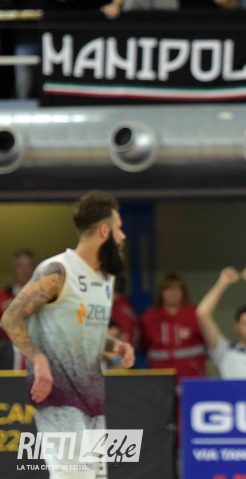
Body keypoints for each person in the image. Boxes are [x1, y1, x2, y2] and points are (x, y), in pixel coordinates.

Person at [0, 191, 135, 477]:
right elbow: (11, 318)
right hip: (59, 400)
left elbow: (83, 334)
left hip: (93, 401)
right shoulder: (57, 271)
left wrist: (115, 345)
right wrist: (38, 358)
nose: (123, 236)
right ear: (104, 231)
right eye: (119, 228)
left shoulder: (105, 278)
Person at [141, 273, 206, 381]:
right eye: (168, 289)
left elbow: (207, 343)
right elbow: (143, 346)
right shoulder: (149, 317)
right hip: (160, 375)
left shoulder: (195, 314)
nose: (172, 293)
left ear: (183, 292)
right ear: (161, 293)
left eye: (176, 289)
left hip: (191, 374)